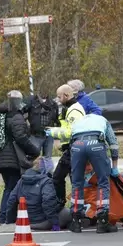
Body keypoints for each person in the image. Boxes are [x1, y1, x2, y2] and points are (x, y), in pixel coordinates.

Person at [0, 90, 40, 225]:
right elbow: (21, 138)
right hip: (12, 158)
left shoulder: (1, 114)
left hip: (1, 156)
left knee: (9, 187)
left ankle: (5, 217)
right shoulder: (16, 116)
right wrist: (34, 150)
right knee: (12, 189)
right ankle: (5, 218)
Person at [67, 112, 121, 233]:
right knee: (103, 182)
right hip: (96, 144)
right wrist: (115, 167)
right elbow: (113, 144)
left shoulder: (78, 121)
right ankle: (102, 222)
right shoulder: (103, 121)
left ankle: (76, 222)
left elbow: (71, 143)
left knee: (77, 183)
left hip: (77, 145)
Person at [48, 84, 86, 217]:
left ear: (66, 95)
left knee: (58, 176)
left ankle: (61, 202)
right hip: (71, 148)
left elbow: (72, 132)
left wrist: (53, 132)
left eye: (59, 96)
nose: (58, 99)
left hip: (74, 148)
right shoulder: (69, 108)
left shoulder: (74, 110)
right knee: (74, 180)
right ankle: (77, 210)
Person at [4, 157, 63, 230]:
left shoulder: (21, 181)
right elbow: (48, 201)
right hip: (42, 222)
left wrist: (10, 222)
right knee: (66, 212)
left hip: (25, 221)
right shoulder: (46, 181)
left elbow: (11, 201)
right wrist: (55, 222)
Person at [24, 93, 59, 174]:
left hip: (49, 134)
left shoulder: (53, 104)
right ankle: (31, 174)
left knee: (48, 157)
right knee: (33, 155)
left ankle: (48, 176)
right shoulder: (31, 102)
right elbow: (22, 113)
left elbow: (56, 119)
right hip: (35, 134)